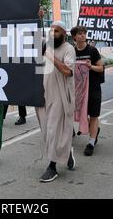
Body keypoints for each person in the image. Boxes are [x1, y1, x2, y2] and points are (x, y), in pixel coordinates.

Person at [37, 20, 76, 183]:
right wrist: (37, 17)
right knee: (47, 131)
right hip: (43, 95)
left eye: (57, 31)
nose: (53, 33)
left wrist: (51, 57)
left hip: (60, 96)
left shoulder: (69, 49)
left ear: (64, 34)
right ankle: (66, 152)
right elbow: (32, 34)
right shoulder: (45, 45)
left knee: (53, 130)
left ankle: (52, 167)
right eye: (51, 30)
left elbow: (68, 71)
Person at [71, 26, 104, 156]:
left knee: (94, 115)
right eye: (80, 34)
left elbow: (101, 68)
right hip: (78, 89)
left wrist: (91, 66)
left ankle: (91, 142)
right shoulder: (72, 51)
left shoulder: (92, 50)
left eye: (84, 33)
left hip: (93, 88)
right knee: (83, 113)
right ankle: (95, 130)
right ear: (74, 37)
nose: (83, 35)